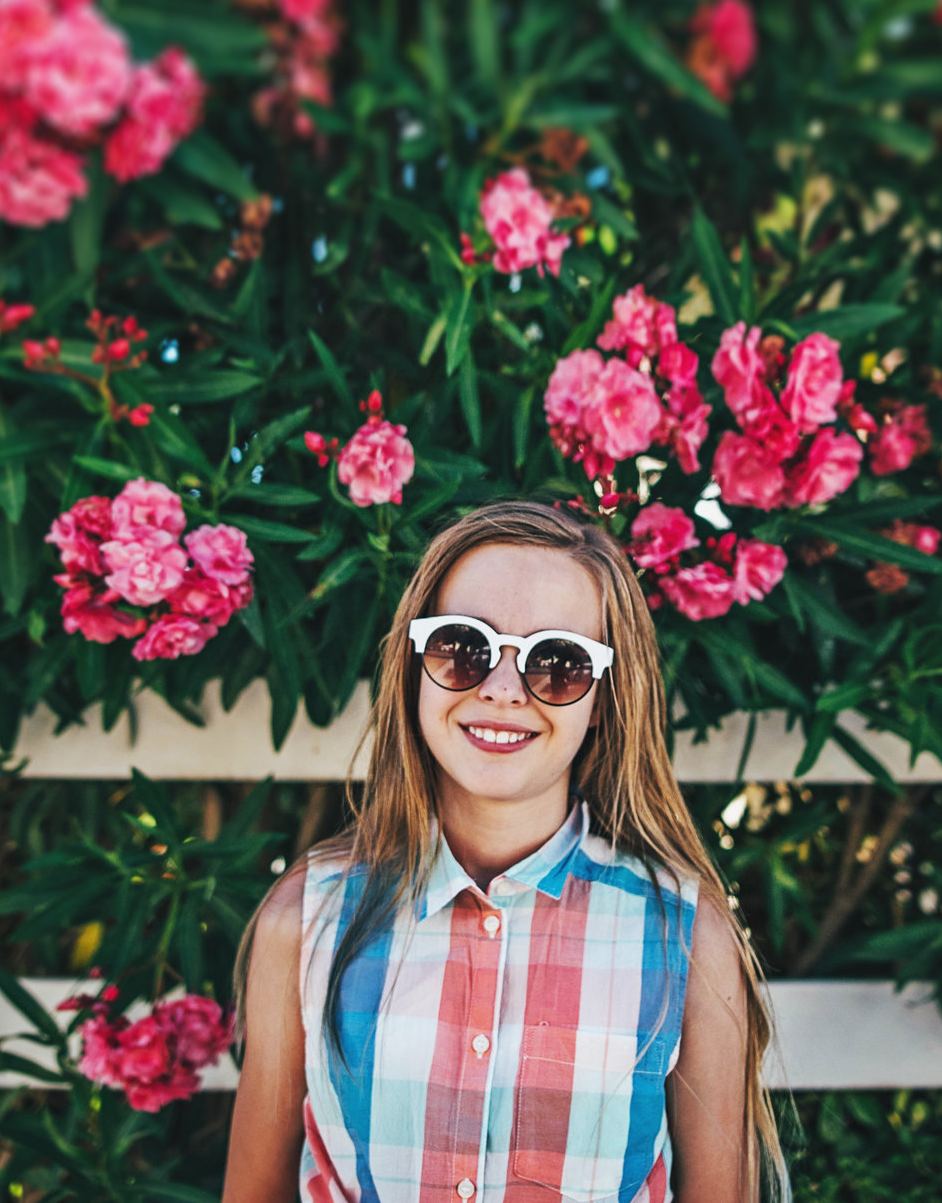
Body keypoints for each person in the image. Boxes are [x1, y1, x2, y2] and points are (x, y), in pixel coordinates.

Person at [222, 500, 790, 1203]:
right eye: (463, 647)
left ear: (605, 697)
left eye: (559, 663)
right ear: (414, 665)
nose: (502, 689)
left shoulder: (683, 933)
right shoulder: (306, 917)